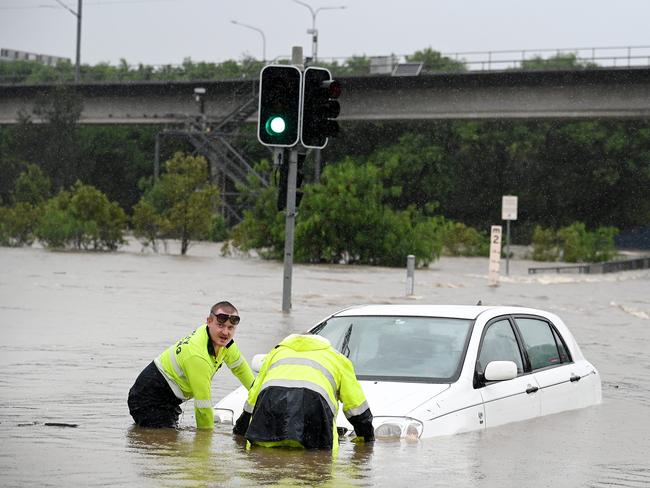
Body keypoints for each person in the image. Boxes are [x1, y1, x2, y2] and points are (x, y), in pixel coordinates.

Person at [233, 333, 374, 449]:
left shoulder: (275, 354)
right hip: (315, 420)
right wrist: (366, 442)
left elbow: (252, 399)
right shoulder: (338, 359)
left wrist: (239, 431)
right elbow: (357, 408)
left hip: (267, 422)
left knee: (264, 470)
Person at [128, 301, 254, 429]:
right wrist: (204, 440)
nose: (225, 332)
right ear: (209, 321)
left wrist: (259, 394)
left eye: (230, 328)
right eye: (220, 325)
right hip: (147, 399)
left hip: (169, 400)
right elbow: (203, 407)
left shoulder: (225, 344)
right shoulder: (198, 355)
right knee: (167, 441)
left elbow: (240, 369)